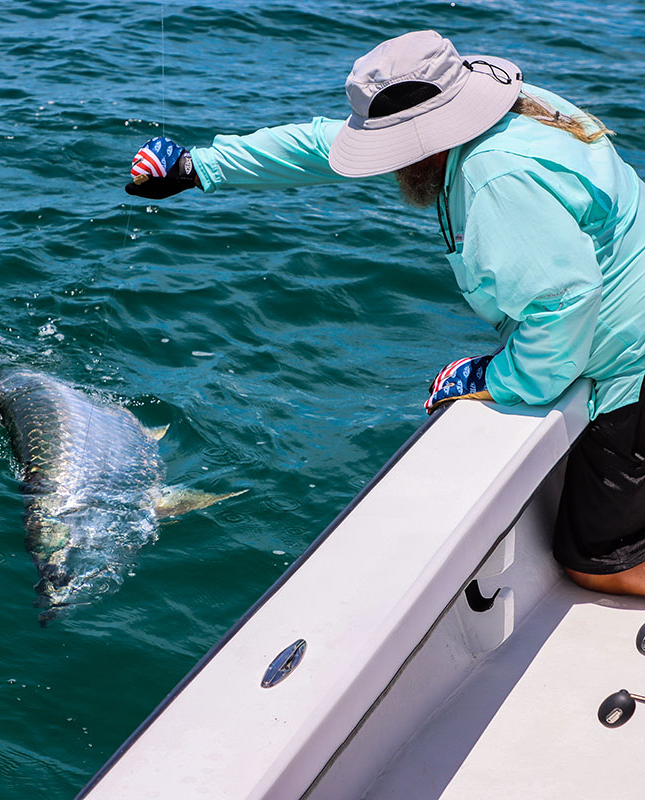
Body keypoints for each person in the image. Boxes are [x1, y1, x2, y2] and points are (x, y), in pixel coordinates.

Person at [124, 30, 645, 596]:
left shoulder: (495, 176)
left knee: (599, 561)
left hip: (630, 363)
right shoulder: (509, 108)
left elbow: (562, 303)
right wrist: (201, 166)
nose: (389, 167)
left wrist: (498, 380)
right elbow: (322, 146)